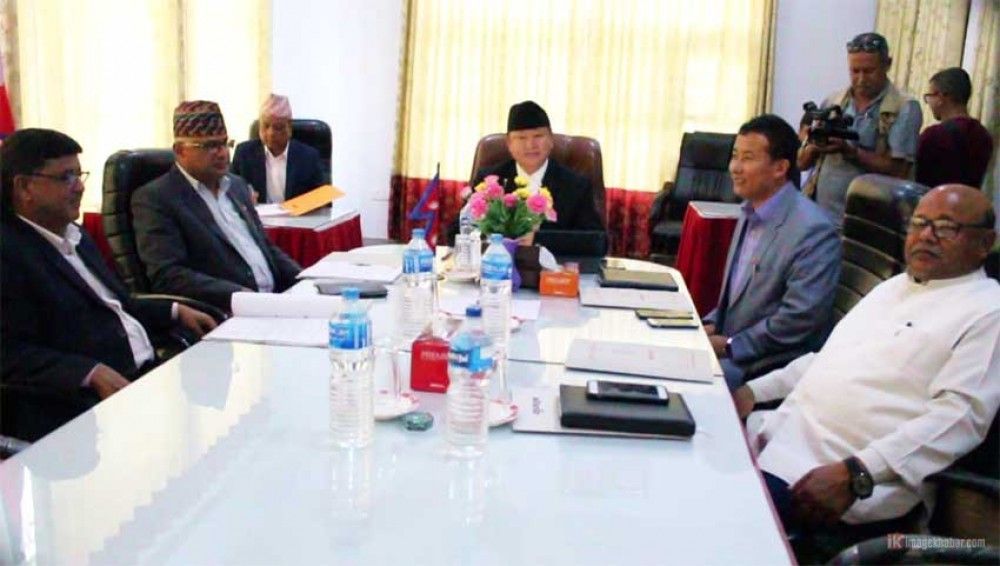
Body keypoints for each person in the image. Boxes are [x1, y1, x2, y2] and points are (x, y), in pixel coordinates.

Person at [735, 185, 999, 540]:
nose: (926, 236)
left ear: (985, 243)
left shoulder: (987, 311)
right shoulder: (894, 286)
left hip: (834, 482)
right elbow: (828, 359)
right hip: (776, 437)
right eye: (919, 223)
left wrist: (858, 472)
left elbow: (960, 418)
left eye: (946, 227)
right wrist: (753, 391)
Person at [1, 128, 218, 441]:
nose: (79, 187)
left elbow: (116, 305)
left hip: (148, 380)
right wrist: (86, 373)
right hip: (88, 412)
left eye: (79, 174)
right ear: (24, 187)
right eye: (65, 177)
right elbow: (9, 353)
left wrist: (174, 310)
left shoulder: (76, 236)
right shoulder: (9, 253)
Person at [703, 114, 840, 391]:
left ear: (780, 168)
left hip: (767, 365)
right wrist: (704, 326)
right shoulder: (750, 210)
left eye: (748, 158)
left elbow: (798, 321)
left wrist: (731, 345)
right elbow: (737, 300)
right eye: (734, 156)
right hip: (733, 347)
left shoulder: (813, 230)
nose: (735, 167)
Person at [132, 100, 302, 312]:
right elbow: (169, 276)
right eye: (210, 146)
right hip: (228, 312)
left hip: (274, 303)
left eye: (224, 143)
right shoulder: (157, 199)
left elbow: (266, 248)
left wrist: (305, 280)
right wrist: (241, 296)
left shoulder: (237, 186)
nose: (222, 153)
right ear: (180, 150)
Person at [798, 32, 922, 227]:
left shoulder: (904, 107)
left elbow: (899, 171)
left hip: (869, 222)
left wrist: (851, 152)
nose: (861, 79)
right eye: (855, 71)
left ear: (888, 64)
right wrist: (815, 145)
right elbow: (802, 163)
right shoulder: (833, 101)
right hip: (820, 217)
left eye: (869, 71)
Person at [449, 100, 604, 244]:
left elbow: (597, 241)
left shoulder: (576, 185)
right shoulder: (490, 181)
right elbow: (455, 233)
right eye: (521, 138)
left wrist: (538, 238)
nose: (530, 145)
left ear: (551, 140)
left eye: (538, 136)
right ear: (509, 143)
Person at [231, 93, 328, 203]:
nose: (271, 133)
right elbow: (229, 191)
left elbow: (323, 198)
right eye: (266, 126)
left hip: (296, 214)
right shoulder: (244, 154)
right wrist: (244, 195)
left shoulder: (309, 157)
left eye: (278, 128)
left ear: (289, 128)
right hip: (258, 213)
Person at [916, 67, 993, 189]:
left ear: (941, 97)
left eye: (929, 96)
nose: (928, 103)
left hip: (934, 198)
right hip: (968, 200)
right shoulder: (984, 135)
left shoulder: (933, 136)